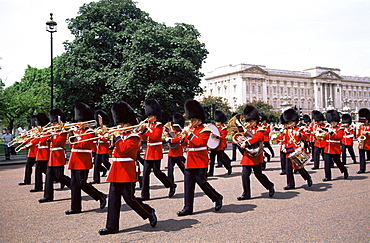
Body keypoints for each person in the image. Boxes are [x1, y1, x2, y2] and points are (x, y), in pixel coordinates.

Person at [99, 101, 157, 235]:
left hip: (126, 170)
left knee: (129, 199)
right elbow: (112, 152)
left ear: (128, 124)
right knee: (113, 200)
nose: (118, 126)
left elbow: (125, 150)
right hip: (116, 170)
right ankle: (111, 226)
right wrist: (111, 143)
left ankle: (149, 212)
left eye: (121, 124)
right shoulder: (121, 137)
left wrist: (118, 139)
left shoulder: (134, 137)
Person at [177, 99, 223, 216]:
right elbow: (184, 144)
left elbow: (199, 143)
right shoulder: (190, 129)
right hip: (190, 160)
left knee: (202, 183)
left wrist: (189, 134)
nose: (191, 121)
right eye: (190, 119)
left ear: (199, 119)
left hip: (200, 160)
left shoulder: (205, 130)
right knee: (188, 185)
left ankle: (216, 197)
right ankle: (187, 208)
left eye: (193, 119)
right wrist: (182, 138)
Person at [65, 102, 107, 215]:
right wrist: (71, 134)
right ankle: (75, 207)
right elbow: (72, 145)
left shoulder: (90, 131)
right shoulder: (78, 131)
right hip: (75, 159)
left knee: (82, 183)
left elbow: (82, 145)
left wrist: (75, 134)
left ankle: (100, 196)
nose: (78, 123)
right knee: (74, 184)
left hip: (83, 159)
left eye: (80, 121)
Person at [138, 98, 176, 201]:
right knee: (145, 173)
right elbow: (145, 139)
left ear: (155, 116)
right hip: (148, 151)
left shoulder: (159, 125)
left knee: (157, 172)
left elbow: (155, 136)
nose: (148, 117)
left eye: (150, 115)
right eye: (148, 115)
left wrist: (146, 130)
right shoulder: (148, 125)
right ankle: (145, 194)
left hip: (155, 151)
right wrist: (141, 132)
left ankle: (171, 185)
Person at [236, 105, 275, 200]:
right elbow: (239, 135)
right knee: (244, 175)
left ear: (256, 120)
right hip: (247, 155)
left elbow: (258, 137)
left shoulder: (260, 128)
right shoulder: (246, 129)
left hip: (256, 154)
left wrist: (247, 142)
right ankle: (246, 193)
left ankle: (269, 186)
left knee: (258, 174)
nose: (250, 123)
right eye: (248, 121)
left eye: (251, 121)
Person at [39, 108, 72, 203]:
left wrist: (51, 135)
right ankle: (47, 196)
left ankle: (73, 185)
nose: (52, 124)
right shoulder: (54, 131)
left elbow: (58, 143)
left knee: (59, 176)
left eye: (54, 122)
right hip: (52, 156)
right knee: (48, 177)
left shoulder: (62, 131)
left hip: (58, 155)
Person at [280, 108, 313, 190]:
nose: (290, 123)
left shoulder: (299, 129)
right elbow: (284, 139)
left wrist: (300, 135)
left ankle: (307, 177)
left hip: (296, 150)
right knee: (288, 169)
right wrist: (283, 146)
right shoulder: (285, 130)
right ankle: (290, 184)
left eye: (291, 122)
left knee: (299, 167)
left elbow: (306, 137)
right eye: (288, 122)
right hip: (288, 150)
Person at [322, 110, 349, 181]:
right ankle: (328, 176)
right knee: (327, 163)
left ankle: (344, 170)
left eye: (334, 121)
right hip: (327, 147)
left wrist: (332, 133)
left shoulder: (340, 128)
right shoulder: (327, 127)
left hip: (335, 148)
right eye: (331, 121)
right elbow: (324, 137)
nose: (332, 123)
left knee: (338, 162)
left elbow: (339, 137)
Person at [207, 110, 232, 176]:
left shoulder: (224, 128)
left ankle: (229, 167)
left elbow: (223, 137)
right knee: (212, 160)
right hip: (213, 146)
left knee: (222, 159)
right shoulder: (214, 128)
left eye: (217, 121)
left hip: (220, 146)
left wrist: (217, 136)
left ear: (221, 122)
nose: (216, 123)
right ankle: (210, 172)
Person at [30, 113, 50, 192]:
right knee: (38, 170)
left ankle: (59, 179)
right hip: (40, 153)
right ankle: (38, 187)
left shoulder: (47, 131)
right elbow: (37, 140)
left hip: (45, 152)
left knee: (45, 170)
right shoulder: (41, 131)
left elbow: (42, 140)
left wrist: (39, 135)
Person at [90, 110, 111, 184]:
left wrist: (99, 135)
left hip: (104, 149)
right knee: (96, 165)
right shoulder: (99, 129)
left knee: (105, 163)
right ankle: (96, 179)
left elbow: (106, 139)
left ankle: (113, 170)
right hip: (98, 150)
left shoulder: (106, 129)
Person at [164, 113, 185, 185]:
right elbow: (167, 133)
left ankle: (190, 178)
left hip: (178, 152)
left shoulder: (181, 130)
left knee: (183, 168)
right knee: (170, 170)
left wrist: (170, 140)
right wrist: (167, 137)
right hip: (171, 152)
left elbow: (179, 139)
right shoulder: (172, 128)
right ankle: (171, 185)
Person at [18, 115, 38, 185]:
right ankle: (27, 181)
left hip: (38, 153)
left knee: (43, 169)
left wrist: (26, 147)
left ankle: (54, 178)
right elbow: (29, 140)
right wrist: (20, 140)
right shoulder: (33, 132)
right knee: (28, 166)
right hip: (32, 153)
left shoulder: (39, 132)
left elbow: (34, 141)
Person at [356, 108, 370, 174]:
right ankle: (362, 169)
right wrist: (358, 138)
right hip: (362, 143)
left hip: (369, 143)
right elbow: (358, 134)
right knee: (362, 157)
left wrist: (368, 133)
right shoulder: (361, 126)